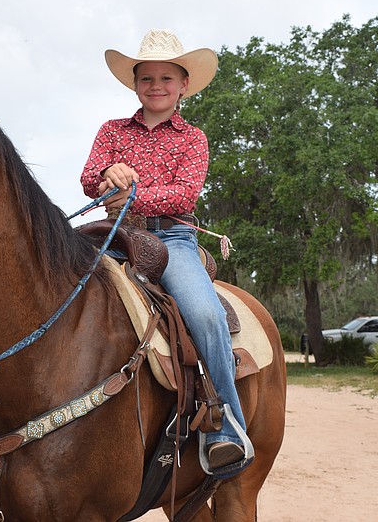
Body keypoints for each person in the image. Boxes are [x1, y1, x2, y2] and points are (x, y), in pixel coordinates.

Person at [80, 29, 250, 474]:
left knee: (206, 315)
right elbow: (89, 180)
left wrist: (132, 194)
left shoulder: (193, 139)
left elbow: (184, 195)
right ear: (135, 85)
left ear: (183, 85)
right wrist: (109, 174)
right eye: (147, 78)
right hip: (111, 234)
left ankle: (226, 427)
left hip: (171, 239)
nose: (156, 86)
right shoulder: (112, 131)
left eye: (166, 78)